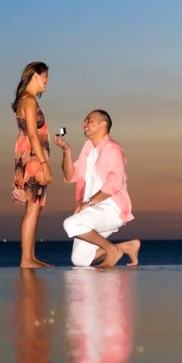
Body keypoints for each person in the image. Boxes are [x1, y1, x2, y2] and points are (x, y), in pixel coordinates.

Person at [54, 109, 140, 267]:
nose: (84, 124)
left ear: (103, 124)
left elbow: (115, 183)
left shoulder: (112, 148)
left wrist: (88, 203)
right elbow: (70, 177)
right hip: (94, 211)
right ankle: (127, 247)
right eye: (85, 121)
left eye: (89, 121)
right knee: (79, 260)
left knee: (71, 223)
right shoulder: (88, 150)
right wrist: (66, 152)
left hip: (111, 208)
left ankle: (111, 250)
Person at [11, 62, 53, 268]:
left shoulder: (27, 100)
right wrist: (45, 164)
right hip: (33, 160)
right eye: (45, 76)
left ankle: (31, 257)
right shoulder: (29, 101)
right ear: (35, 75)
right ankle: (27, 259)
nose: (47, 81)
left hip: (30, 158)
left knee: (35, 208)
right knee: (32, 209)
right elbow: (33, 135)